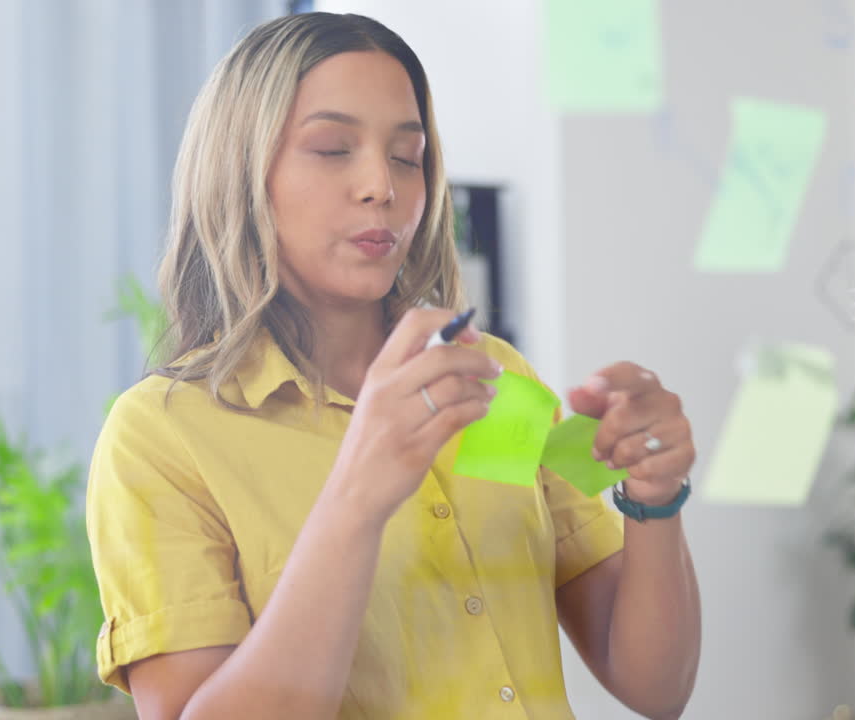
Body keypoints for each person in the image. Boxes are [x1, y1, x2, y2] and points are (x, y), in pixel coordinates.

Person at [86, 12, 700, 720]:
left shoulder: (494, 379)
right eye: (331, 148)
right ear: (240, 171)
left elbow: (657, 689)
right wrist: (360, 495)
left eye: (407, 157)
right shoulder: (161, 436)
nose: (381, 184)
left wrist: (654, 495)